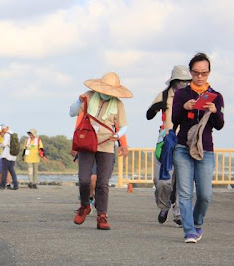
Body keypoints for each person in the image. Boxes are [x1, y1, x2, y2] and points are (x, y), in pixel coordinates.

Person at [172, 52, 225, 243]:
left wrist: (214, 111)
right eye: (196, 73)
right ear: (191, 73)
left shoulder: (216, 96)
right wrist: (184, 107)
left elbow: (219, 125)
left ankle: (197, 222)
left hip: (205, 149)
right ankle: (189, 231)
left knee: (205, 195)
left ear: (209, 73)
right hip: (183, 147)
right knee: (185, 193)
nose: (200, 77)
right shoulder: (181, 94)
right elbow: (174, 120)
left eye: (203, 73)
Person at [69, 72, 131, 230]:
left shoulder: (117, 104)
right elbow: (72, 112)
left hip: (107, 144)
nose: (106, 94)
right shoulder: (89, 97)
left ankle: (102, 215)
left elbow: (123, 125)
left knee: (103, 183)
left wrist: (119, 135)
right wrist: (78, 100)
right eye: (105, 91)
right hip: (87, 143)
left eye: (110, 92)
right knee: (84, 179)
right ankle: (84, 205)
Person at [146, 65, 192, 227]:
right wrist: (155, 108)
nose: (184, 85)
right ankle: (164, 206)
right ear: (174, 81)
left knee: (182, 179)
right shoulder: (164, 95)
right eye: (181, 81)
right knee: (162, 181)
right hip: (165, 140)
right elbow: (149, 116)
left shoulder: (193, 96)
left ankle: (179, 214)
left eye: (187, 81)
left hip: (186, 140)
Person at [0, 125, 19, 190]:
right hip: (13, 156)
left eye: (3, 129)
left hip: (6, 155)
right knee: (12, 171)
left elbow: (4, 144)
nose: (3, 130)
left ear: (6, 128)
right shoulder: (14, 134)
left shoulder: (7, 135)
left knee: (4, 171)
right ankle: (15, 185)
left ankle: (2, 185)